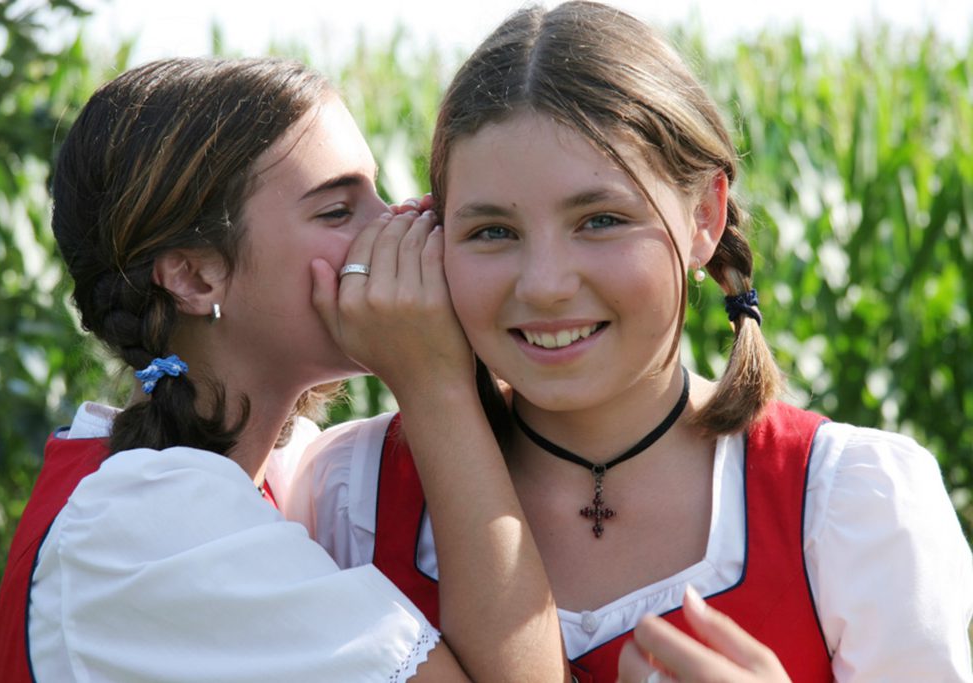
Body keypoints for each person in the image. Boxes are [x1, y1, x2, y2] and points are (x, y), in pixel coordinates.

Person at [289, 3, 973, 681]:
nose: (547, 284)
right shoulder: (350, 493)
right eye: (492, 231)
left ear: (704, 215)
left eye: (602, 219)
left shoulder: (851, 505)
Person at [0, 56, 569, 682]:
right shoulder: (149, 527)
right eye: (338, 211)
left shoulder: (289, 475)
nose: (404, 220)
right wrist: (432, 383)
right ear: (195, 275)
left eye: (376, 191)